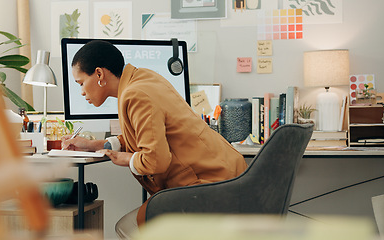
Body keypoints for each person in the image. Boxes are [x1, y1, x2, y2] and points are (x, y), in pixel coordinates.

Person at [61, 40, 247, 239]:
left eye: (81, 83)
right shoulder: (143, 78)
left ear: (99, 74)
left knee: (128, 227)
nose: (81, 92)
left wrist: (126, 159)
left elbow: (155, 160)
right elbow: (145, 133)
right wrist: (95, 145)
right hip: (228, 178)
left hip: (208, 186)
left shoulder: (136, 94)